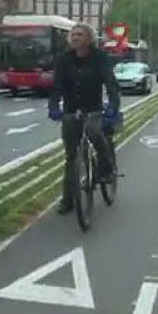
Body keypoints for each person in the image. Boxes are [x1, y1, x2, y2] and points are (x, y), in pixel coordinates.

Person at [48, 23, 121, 215]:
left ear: (89, 38)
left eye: (80, 34)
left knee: (95, 133)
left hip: (94, 110)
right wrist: (54, 107)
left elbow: (110, 83)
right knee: (71, 155)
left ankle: (106, 168)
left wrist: (113, 106)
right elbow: (57, 87)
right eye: (73, 34)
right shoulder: (64, 60)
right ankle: (68, 199)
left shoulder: (100, 58)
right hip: (71, 111)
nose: (75, 37)